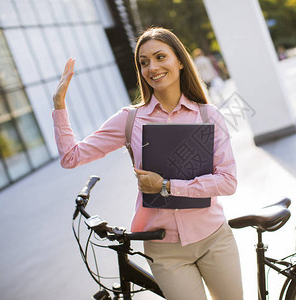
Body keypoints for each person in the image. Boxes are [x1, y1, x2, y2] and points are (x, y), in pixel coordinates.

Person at [52, 27, 243, 300]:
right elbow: (71, 157)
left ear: (179, 60)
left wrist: (166, 185)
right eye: (144, 62)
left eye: (160, 57)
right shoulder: (130, 120)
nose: (152, 67)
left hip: (214, 238)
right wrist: (59, 105)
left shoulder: (207, 115)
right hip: (164, 250)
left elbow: (228, 181)